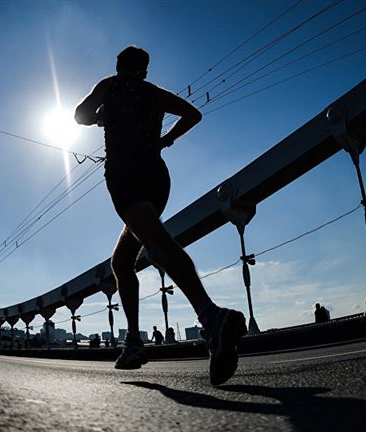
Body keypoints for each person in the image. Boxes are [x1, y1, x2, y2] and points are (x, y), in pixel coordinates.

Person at [75, 46, 247, 385]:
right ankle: (135, 343)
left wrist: (101, 116)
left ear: (119, 65)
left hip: (125, 176)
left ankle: (212, 318)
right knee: (123, 261)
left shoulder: (109, 85)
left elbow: (80, 115)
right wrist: (165, 139)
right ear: (145, 70)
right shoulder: (155, 93)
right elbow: (193, 115)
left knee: (155, 242)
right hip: (157, 177)